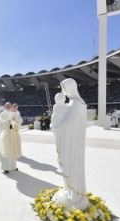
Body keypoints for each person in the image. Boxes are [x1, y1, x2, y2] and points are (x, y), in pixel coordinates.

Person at [51, 79, 89, 210]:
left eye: (65, 89)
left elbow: (68, 124)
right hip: (74, 142)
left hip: (70, 143)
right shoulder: (78, 102)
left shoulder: (75, 103)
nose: (64, 92)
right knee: (70, 167)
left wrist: (55, 127)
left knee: (69, 165)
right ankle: (70, 189)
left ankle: (73, 193)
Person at [0, 102, 21, 173]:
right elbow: (1, 123)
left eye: (9, 106)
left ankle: (13, 167)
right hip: (5, 136)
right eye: (7, 106)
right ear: (5, 107)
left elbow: (18, 122)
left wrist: (14, 122)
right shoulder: (2, 114)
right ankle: (5, 168)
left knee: (13, 151)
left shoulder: (13, 114)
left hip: (13, 135)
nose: (8, 107)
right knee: (6, 151)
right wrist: (8, 121)